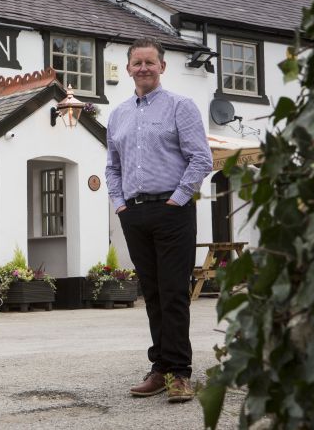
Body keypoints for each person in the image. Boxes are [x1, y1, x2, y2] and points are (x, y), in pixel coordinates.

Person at [105, 37, 213, 403]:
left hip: (173, 212)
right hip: (134, 213)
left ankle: (180, 373)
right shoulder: (118, 115)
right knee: (151, 293)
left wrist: (176, 200)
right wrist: (120, 204)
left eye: (150, 62)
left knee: (173, 293)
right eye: (137, 63)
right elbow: (112, 167)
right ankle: (161, 368)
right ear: (128, 68)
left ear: (162, 67)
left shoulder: (181, 106)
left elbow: (201, 158)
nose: (144, 68)